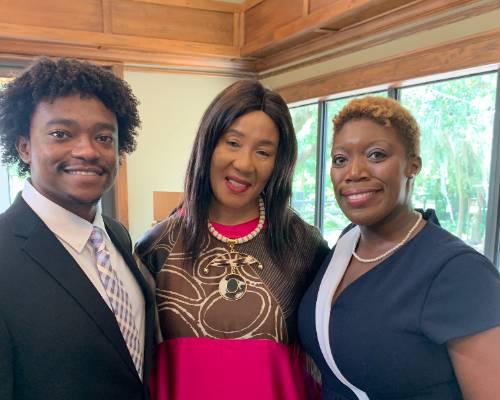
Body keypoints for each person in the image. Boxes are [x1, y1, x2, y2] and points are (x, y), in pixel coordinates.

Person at [135, 80, 329, 400]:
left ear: (279, 163)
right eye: (233, 143)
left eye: (263, 152)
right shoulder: (157, 246)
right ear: (208, 145)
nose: (244, 164)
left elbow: (324, 361)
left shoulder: (304, 247)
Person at [298, 96, 500, 399]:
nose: (353, 172)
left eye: (376, 155)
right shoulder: (347, 243)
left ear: (413, 165)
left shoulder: (460, 272)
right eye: (340, 159)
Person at [0, 57, 154, 400]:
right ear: (24, 146)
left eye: (103, 137)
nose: (87, 151)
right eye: (61, 134)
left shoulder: (116, 235)